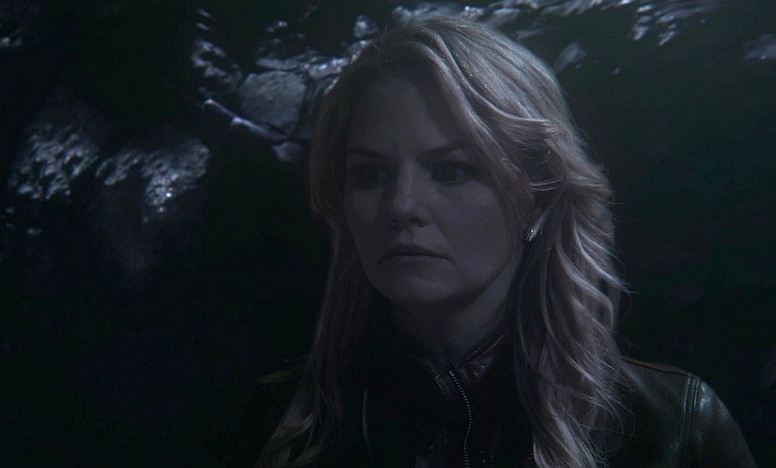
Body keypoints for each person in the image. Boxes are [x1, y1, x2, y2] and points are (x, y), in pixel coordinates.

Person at [232, 16, 756, 467]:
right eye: (370, 175)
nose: (401, 206)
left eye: (451, 170)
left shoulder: (673, 428)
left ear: (537, 194)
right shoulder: (282, 424)